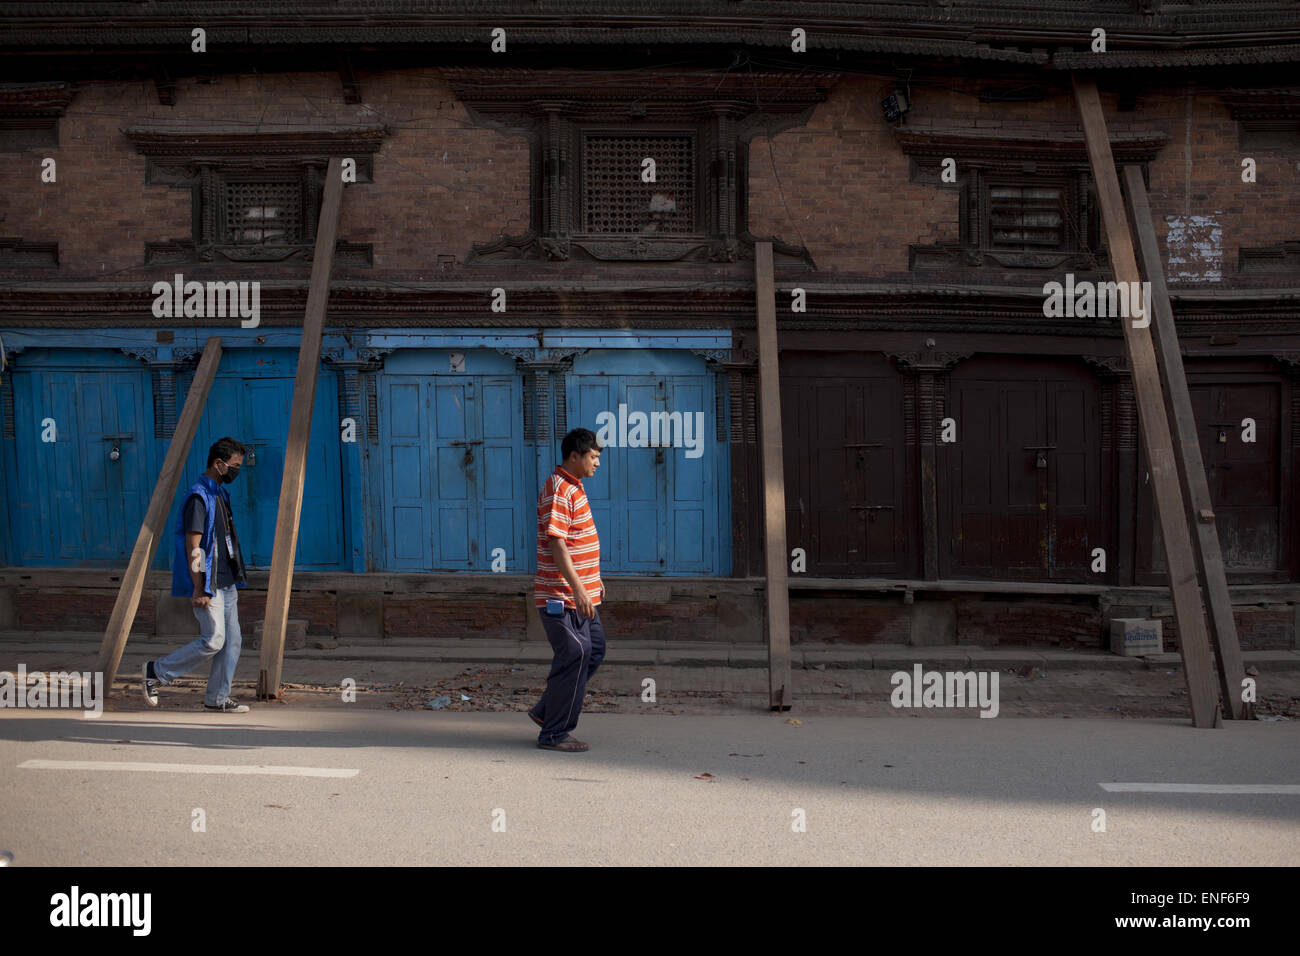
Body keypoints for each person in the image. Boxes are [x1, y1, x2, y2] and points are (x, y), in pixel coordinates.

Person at [141, 437, 251, 713]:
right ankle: (156, 671)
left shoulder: (219, 494)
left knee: (232, 642)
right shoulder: (198, 497)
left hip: (226, 582)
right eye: (235, 466)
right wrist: (199, 587)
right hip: (209, 583)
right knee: (213, 639)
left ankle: (217, 698)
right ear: (219, 464)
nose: (237, 471)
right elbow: (193, 546)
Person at [529, 428, 608, 752]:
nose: (597, 464)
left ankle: (547, 710)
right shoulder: (560, 488)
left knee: (595, 649)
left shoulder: (575, 486)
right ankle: (554, 733)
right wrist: (578, 589)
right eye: (593, 457)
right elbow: (557, 543)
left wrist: (593, 580)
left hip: (583, 593)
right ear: (574, 456)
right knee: (575, 653)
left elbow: (578, 541)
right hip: (560, 596)